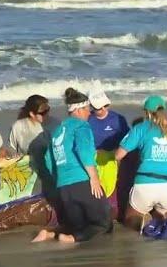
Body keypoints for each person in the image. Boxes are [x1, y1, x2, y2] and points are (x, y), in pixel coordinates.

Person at [32, 88, 112, 243]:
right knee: (104, 225)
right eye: (87, 109)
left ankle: (50, 235)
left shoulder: (57, 131)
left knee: (80, 226)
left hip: (64, 187)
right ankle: (71, 239)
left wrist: (60, 179)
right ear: (79, 109)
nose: (89, 113)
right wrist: (94, 177)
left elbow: (48, 159)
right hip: (83, 182)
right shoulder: (81, 126)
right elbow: (84, 151)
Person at [115, 95, 167, 231]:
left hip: (145, 184)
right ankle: (165, 215)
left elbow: (118, 155)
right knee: (162, 207)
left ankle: (142, 222)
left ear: (146, 112)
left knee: (129, 217)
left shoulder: (140, 128)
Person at [87, 89, 129, 220]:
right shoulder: (87, 121)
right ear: (92, 107)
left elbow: (128, 140)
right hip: (94, 159)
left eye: (106, 105)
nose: (104, 109)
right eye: (99, 108)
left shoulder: (118, 119)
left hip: (114, 157)